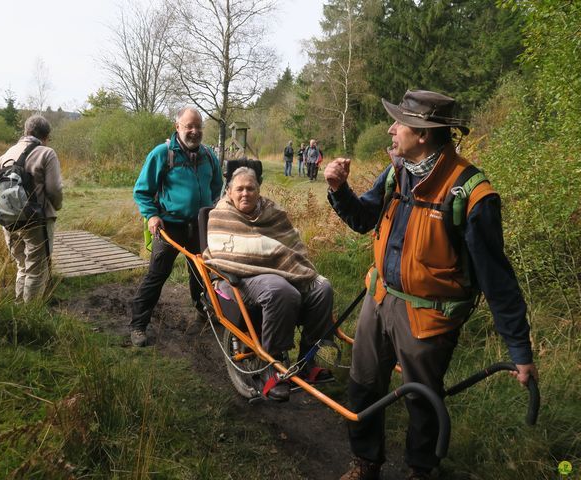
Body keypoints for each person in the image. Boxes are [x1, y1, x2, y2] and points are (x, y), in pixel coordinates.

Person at [324, 90, 538, 480]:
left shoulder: (471, 194)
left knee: (423, 400)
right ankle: (365, 462)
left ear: (422, 134)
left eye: (399, 124)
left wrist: (519, 350)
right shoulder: (397, 172)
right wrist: (339, 189)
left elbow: (497, 281)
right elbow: (363, 219)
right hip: (379, 300)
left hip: (428, 317)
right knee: (363, 385)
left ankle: (421, 472)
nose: (390, 129)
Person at [203, 166, 335, 401]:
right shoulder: (220, 213)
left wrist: (281, 263)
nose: (245, 193)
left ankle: (307, 360)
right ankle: (270, 364)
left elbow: (289, 246)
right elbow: (225, 252)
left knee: (322, 288)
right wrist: (265, 259)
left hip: (279, 271)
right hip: (241, 276)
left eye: (250, 188)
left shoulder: (272, 211)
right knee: (282, 291)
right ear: (230, 192)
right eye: (240, 189)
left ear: (258, 190)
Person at [130, 107, 223, 347]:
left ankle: (203, 315)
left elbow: (216, 185)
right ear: (177, 127)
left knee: (202, 273)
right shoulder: (162, 154)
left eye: (198, 126)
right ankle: (139, 325)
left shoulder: (209, 155)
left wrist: (208, 208)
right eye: (189, 126)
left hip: (200, 226)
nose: (194, 131)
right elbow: (142, 191)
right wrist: (151, 215)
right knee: (157, 274)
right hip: (169, 226)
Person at [0, 114, 63, 303]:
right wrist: (56, 206)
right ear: (46, 136)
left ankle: (19, 305)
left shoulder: (6, 154)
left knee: (22, 266)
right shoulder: (46, 153)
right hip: (36, 220)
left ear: (25, 131)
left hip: (8, 220)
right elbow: (55, 189)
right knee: (36, 269)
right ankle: (29, 316)